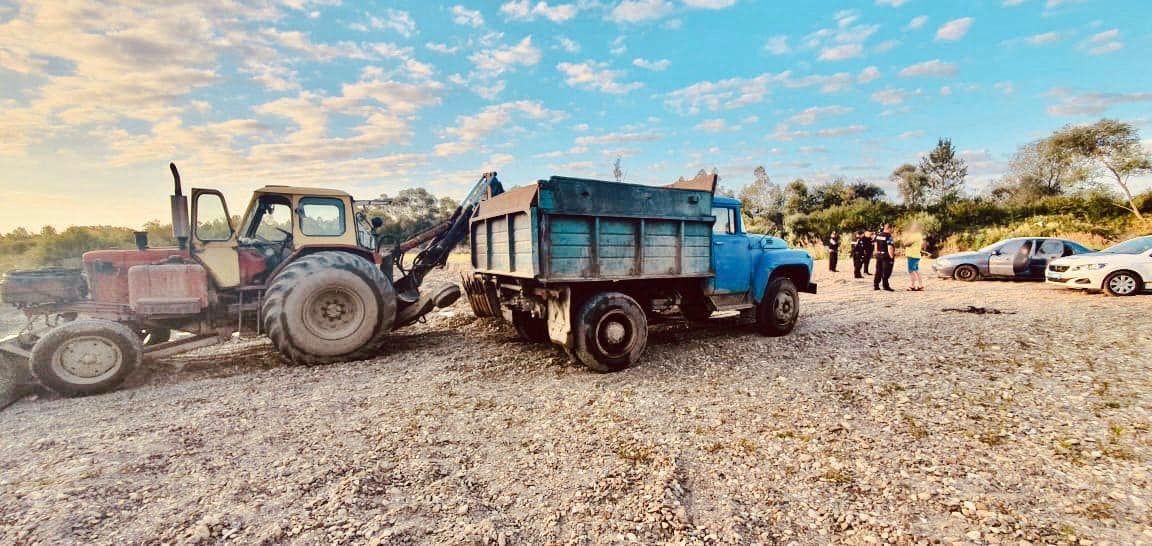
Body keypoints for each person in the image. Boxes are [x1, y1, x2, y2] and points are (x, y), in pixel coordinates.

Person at [904, 224, 928, 291]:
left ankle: (912, 285)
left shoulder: (914, 236)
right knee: (916, 270)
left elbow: (906, 244)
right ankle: (920, 285)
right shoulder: (919, 235)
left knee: (911, 271)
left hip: (912, 255)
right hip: (916, 255)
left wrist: (906, 239)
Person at [873, 224, 896, 292]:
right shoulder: (888, 236)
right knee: (886, 271)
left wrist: (876, 252)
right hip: (886, 256)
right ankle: (885, 286)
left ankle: (876, 285)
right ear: (889, 228)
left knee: (878, 271)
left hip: (879, 255)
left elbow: (875, 244)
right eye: (892, 229)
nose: (892, 230)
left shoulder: (878, 235)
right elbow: (890, 247)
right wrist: (892, 256)